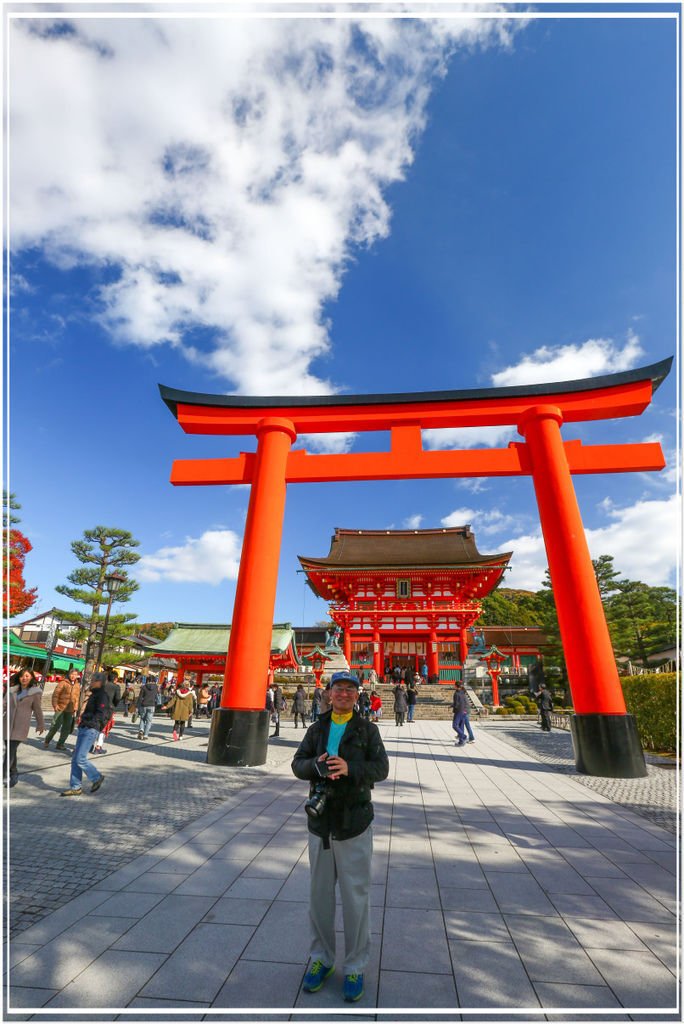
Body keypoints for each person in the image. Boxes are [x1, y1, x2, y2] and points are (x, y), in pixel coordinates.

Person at [292, 671, 389, 1004]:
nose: (344, 694)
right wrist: (314, 767)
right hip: (320, 825)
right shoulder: (316, 728)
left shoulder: (367, 729)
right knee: (318, 898)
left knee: (355, 899)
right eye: (339, 689)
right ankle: (320, 958)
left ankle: (355, 966)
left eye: (350, 689)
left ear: (356, 694)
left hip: (354, 822)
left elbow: (382, 768)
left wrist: (350, 769)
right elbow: (297, 763)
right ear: (329, 693)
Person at [61, 672, 110, 796]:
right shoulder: (94, 694)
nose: (90, 682)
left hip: (91, 728)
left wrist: (92, 723)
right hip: (85, 726)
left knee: (80, 758)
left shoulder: (102, 695)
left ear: (99, 682)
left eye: (92, 680)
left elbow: (101, 713)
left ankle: (96, 777)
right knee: (75, 759)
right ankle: (76, 787)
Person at [4, 669, 45, 787]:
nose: (24, 678)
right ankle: (14, 773)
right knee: (11, 751)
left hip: (20, 726)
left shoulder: (35, 693)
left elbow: (37, 709)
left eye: (27, 676)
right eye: (22, 676)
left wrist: (40, 724)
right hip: (7, 724)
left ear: (32, 677)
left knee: (10, 751)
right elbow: (4, 705)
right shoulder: (12, 691)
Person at [44, 668, 81, 750]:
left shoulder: (77, 685)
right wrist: (55, 705)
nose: (73, 676)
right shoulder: (63, 683)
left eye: (75, 674)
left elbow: (77, 697)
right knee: (55, 726)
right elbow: (55, 694)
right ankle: (47, 740)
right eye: (72, 674)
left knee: (67, 728)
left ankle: (60, 744)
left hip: (70, 710)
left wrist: (76, 707)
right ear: (69, 674)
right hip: (60, 708)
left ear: (77, 676)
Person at [136, 675, 159, 740]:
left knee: (142, 719)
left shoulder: (143, 687)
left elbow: (140, 698)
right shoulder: (156, 687)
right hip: (152, 705)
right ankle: (146, 735)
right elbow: (157, 697)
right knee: (149, 721)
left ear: (147, 680)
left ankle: (141, 729)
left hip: (144, 705)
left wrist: (137, 706)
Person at [452, 682, 469, 746]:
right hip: (464, 711)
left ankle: (463, 736)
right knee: (461, 726)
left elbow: (456, 704)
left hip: (458, 711)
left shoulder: (456, 693)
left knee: (455, 725)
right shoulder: (463, 692)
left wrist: (453, 706)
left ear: (456, 686)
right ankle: (461, 741)